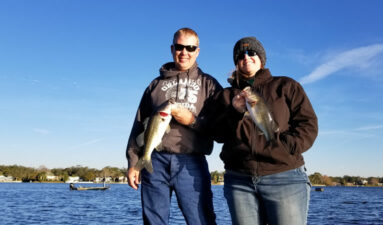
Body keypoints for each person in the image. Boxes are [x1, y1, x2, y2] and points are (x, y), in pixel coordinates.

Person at [199, 37, 318, 225]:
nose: (246, 57)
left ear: (262, 58)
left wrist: (286, 146)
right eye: (240, 55)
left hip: (285, 177)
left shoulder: (286, 86)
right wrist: (234, 111)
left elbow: (308, 124)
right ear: (236, 63)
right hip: (239, 181)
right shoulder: (226, 96)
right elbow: (217, 134)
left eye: (251, 53)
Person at [125, 27, 221, 225]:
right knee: (153, 221)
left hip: (191, 163)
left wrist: (192, 121)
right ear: (172, 49)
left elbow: (220, 128)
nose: (184, 52)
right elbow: (139, 125)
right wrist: (133, 161)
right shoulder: (154, 85)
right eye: (179, 47)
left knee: (201, 220)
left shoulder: (209, 85)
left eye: (190, 47)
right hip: (155, 161)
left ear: (198, 51)